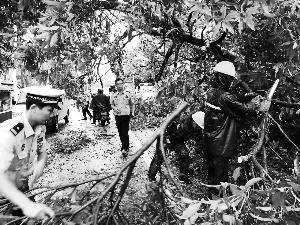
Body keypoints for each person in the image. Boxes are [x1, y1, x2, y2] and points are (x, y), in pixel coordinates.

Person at [203, 61, 262, 197]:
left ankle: (211, 202)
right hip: (221, 145)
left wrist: (247, 96)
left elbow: (232, 99)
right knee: (219, 179)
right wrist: (256, 102)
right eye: (230, 79)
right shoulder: (224, 97)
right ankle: (217, 208)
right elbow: (245, 109)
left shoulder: (212, 92)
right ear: (224, 78)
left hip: (211, 143)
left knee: (213, 176)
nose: (231, 82)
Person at [0, 90, 57, 220]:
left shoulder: (39, 128)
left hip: (24, 190)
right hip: (4, 197)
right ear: (34, 108)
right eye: (49, 110)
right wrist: (26, 205)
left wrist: (38, 168)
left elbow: (42, 152)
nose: (52, 114)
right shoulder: (9, 132)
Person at [148, 111, 204, 184]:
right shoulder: (179, 121)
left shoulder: (196, 128)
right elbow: (164, 128)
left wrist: (198, 148)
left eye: (199, 127)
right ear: (193, 121)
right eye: (197, 126)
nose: (198, 128)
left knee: (185, 155)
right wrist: (165, 141)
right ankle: (151, 176)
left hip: (177, 141)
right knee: (159, 156)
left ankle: (183, 176)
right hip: (164, 138)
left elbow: (199, 139)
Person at [110, 78, 135, 157]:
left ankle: (124, 148)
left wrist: (133, 112)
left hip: (126, 115)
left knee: (125, 132)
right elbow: (111, 105)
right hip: (118, 116)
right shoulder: (113, 95)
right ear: (116, 85)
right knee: (120, 132)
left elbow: (132, 103)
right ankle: (125, 146)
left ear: (123, 84)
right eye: (118, 84)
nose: (120, 85)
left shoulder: (128, 94)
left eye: (121, 83)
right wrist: (114, 108)